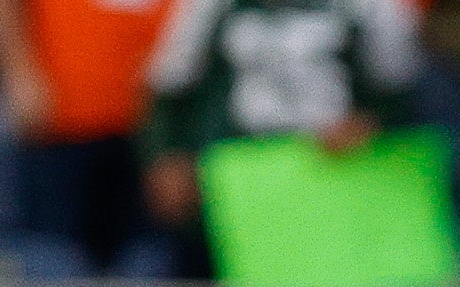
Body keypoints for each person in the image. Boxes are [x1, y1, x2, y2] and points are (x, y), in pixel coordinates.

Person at [142, 0, 418, 264]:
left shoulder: (369, 5)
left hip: (340, 183)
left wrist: (368, 123)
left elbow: (404, 89)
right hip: (238, 182)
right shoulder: (212, 5)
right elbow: (169, 85)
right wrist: (166, 157)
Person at [0, 0, 176, 272]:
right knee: (57, 264)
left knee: (149, 266)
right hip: (62, 116)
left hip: (154, 119)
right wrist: (17, 69)